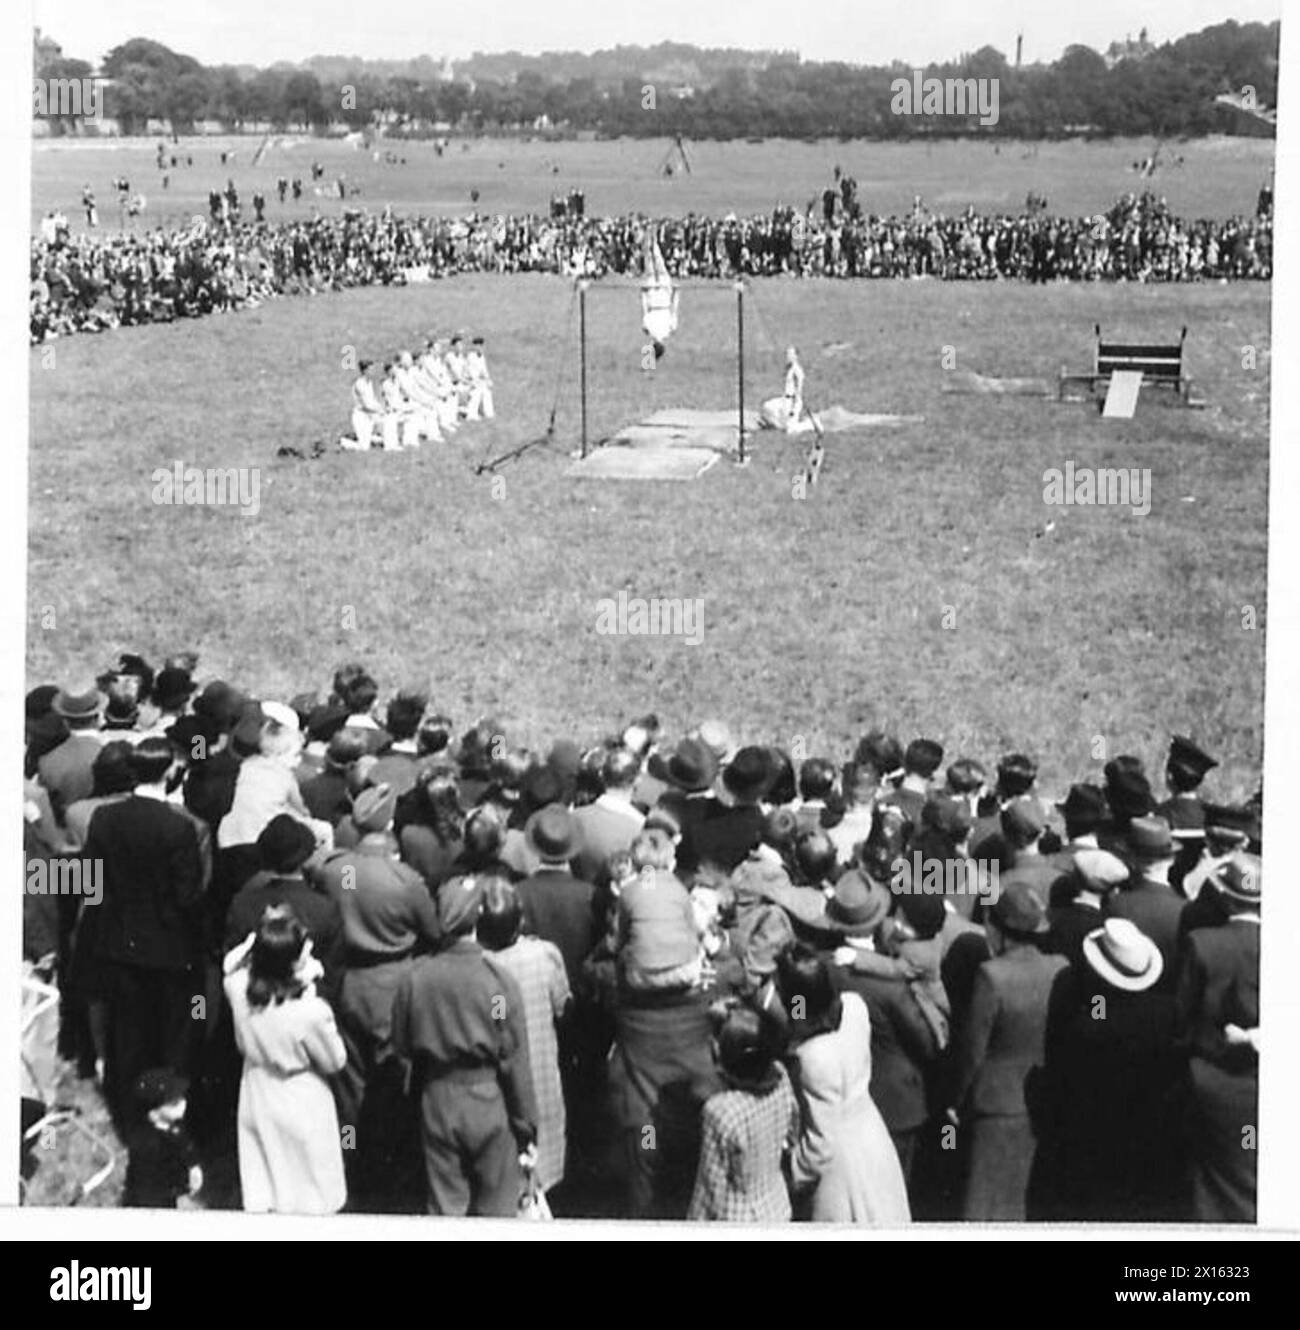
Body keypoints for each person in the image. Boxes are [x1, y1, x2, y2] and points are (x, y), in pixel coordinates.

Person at [391, 875, 538, 1216]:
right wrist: (526, 1124)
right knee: (498, 1209)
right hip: (488, 1100)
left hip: (437, 1098)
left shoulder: (415, 978)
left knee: (445, 1207)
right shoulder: (497, 984)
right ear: (478, 918)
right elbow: (512, 1057)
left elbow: (402, 1045)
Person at [944, 883, 1067, 1221]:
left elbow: (972, 1051)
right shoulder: (1060, 967)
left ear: (996, 927)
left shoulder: (991, 976)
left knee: (986, 1206)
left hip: (996, 1106)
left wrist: (955, 1101)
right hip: (1044, 1102)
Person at [223, 906, 348, 1214]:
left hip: (256, 1089)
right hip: (301, 1096)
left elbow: (231, 966)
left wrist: (258, 942)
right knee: (310, 1193)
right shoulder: (312, 1012)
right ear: (291, 964)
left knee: (267, 1183)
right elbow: (335, 1061)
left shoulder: (238, 989)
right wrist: (307, 986)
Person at [776, 943, 911, 1224]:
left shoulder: (810, 1059)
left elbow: (819, 1146)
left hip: (840, 1168)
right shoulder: (855, 1009)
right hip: (873, 1139)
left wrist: (790, 1172)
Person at [1175, 853, 1260, 1223]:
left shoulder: (1202, 942)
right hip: (1256, 1083)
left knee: (1209, 1178)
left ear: (1224, 898)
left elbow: (1180, 1021)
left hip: (1209, 1076)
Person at [477, 879, 571, 1200]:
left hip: (497, 1086)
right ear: (520, 922)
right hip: (540, 1076)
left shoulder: (478, 966)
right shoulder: (544, 956)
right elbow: (562, 1006)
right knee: (542, 1176)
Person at [688, 1003, 799, 1222]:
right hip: (777, 1206)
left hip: (737, 1218)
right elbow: (792, 1130)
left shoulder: (720, 1111)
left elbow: (710, 1187)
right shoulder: (781, 1075)